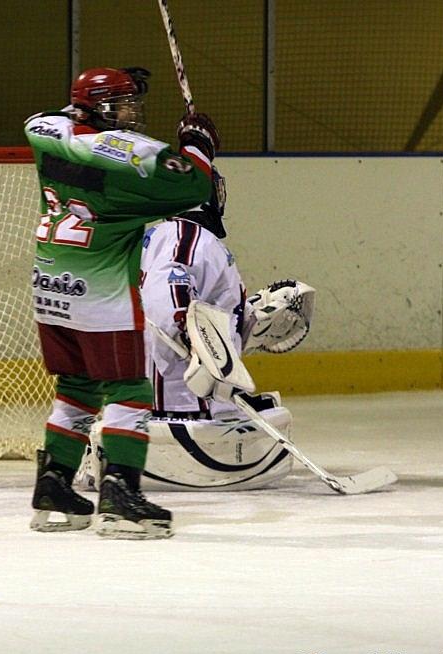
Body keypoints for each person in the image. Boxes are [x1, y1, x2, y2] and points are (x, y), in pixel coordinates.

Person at [24, 66, 218, 539]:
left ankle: (53, 489)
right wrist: (198, 144)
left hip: (51, 283)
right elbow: (194, 186)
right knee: (130, 391)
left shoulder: (46, 130)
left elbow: (58, 124)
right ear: (99, 107)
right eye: (123, 104)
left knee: (77, 388)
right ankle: (121, 497)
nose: (132, 114)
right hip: (99, 292)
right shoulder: (128, 156)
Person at [75, 168, 315, 491]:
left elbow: (204, 316)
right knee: (267, 418)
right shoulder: (184, 235)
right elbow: (168, 300)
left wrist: (253, 321)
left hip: (191, 401)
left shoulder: (183, 236)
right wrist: (194, 340)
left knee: (271, 408)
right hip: (183, 407)